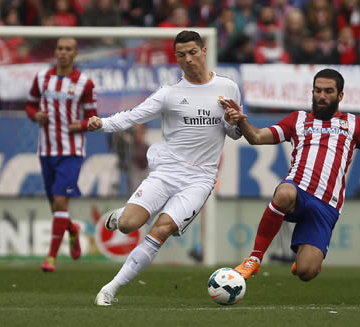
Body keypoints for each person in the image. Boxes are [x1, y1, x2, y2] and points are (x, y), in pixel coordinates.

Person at [88, 30, 243, 306]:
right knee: (127, 225)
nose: (189, 60)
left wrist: (235, 122)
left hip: (200, 179)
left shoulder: (228, 88)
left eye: (193, 52)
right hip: (167, 172)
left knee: (161, 229)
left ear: (204, 51)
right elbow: (133, 115)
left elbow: (233, 133)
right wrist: (103, 123)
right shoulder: (170, 94)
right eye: (181, 55)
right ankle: (123, 214)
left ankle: (110, 289)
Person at [223, 68, 360, 282]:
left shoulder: (353, 124)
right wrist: (241, 120)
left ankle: (307, 262)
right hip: (298, 190)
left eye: (329, 91)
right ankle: (254, 259)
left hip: (326, 206)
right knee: (284, 193)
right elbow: (257, 137)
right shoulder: (298, 120)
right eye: (318, 90)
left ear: (340, 95)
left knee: (306, 272)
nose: (322, 96)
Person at [25, 37, 98, 272]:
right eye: (60, 48)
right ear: (55, 52)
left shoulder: (85, 83)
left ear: (75, 53)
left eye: (68, 49)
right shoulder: (41, 78)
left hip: (71, 151)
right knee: (55, 206)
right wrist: (35, 116)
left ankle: (51, 258)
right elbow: (30, 105)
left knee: (59, 200)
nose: (63, 52)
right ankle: (72, 230)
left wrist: (83, 125)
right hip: (46, 150)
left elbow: (92, 117)